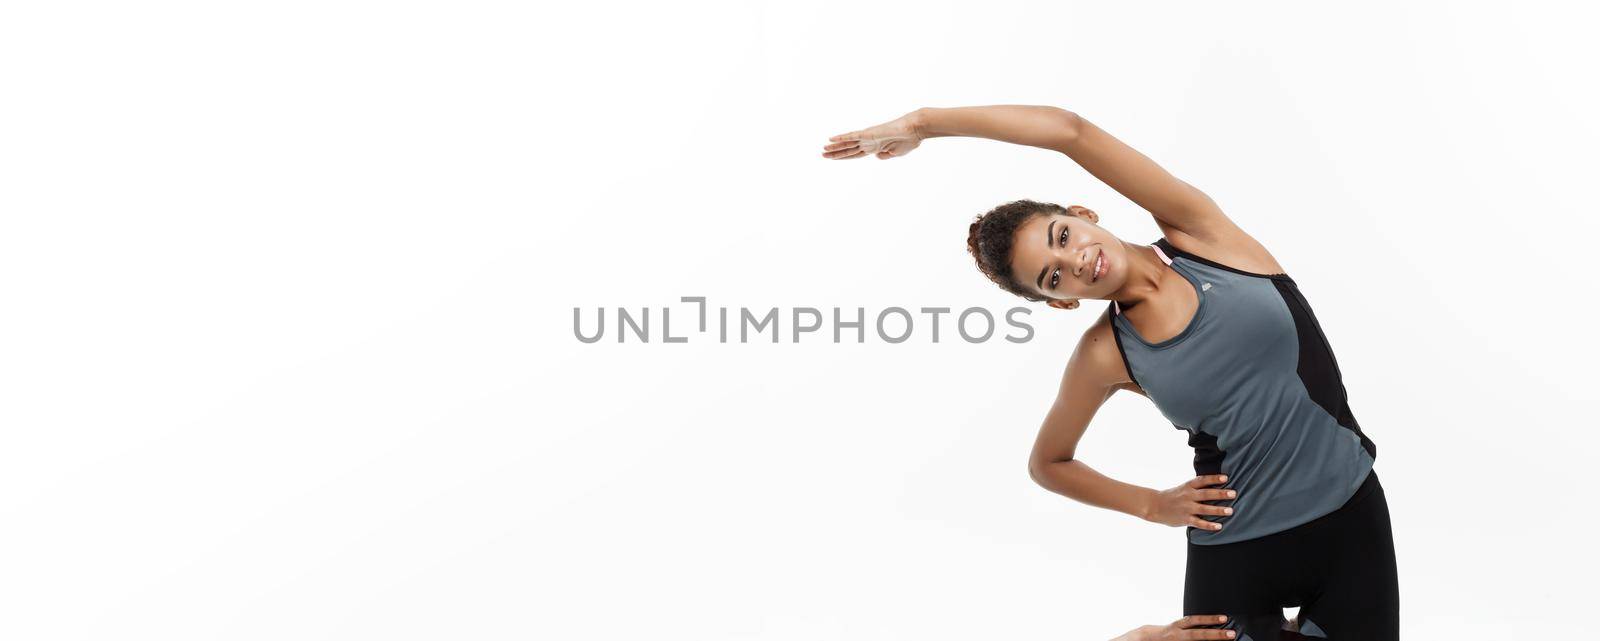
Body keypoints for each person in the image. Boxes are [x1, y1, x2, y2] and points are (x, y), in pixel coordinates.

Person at [821, 105, 1399, 640]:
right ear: (1061, 302)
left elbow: (1070, 132)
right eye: (1052, 277)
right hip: (1236, 551)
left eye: (1063, 236)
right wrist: (1151, 504)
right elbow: (1048, 463)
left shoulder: (1201, 235)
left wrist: (924, 124)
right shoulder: (1106, 353)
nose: (1075, 261)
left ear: (1082, 213)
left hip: (1350, 514)